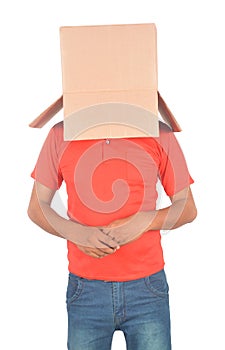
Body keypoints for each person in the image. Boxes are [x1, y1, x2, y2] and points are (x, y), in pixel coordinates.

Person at [27, 119, 197, 350]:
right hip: (86, 289)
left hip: (147, 289)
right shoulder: (61, 134)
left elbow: (187, 208)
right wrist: (77, 233)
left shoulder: (158, 133)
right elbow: (37, 208)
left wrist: (144, 221)